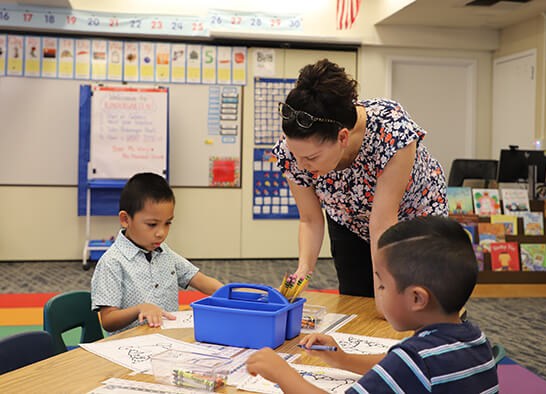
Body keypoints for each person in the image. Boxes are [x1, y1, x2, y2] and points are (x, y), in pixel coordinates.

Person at [246, 216, 498, 393]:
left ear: (416, 298)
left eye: (381, 286)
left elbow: (403, 366)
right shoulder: (474, 339)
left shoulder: (415, 360)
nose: (377, 293)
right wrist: (342, 359)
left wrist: (282, 374)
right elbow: (393, 367)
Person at [272, 59, 447, 301]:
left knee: (414, 302)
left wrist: (385, 294)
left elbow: (383, 222)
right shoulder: (294, 149)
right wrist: (303, 271)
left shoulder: (391, 129)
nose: (301, 166)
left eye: (311, 157)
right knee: (356, 301)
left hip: (412, 218)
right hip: (349, 219)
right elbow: (311, 219)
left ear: (342, 137)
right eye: (296, 156)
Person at [90, 172, 223, 333]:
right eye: (152, 224)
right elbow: (108, 320)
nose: (161, 233)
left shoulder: (164, 252)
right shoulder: (112, 262)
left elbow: (199, 280)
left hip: (168, 339)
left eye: (167, 223)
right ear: (125, 219)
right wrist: (139, 309)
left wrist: (234, 296)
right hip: (130, 347)